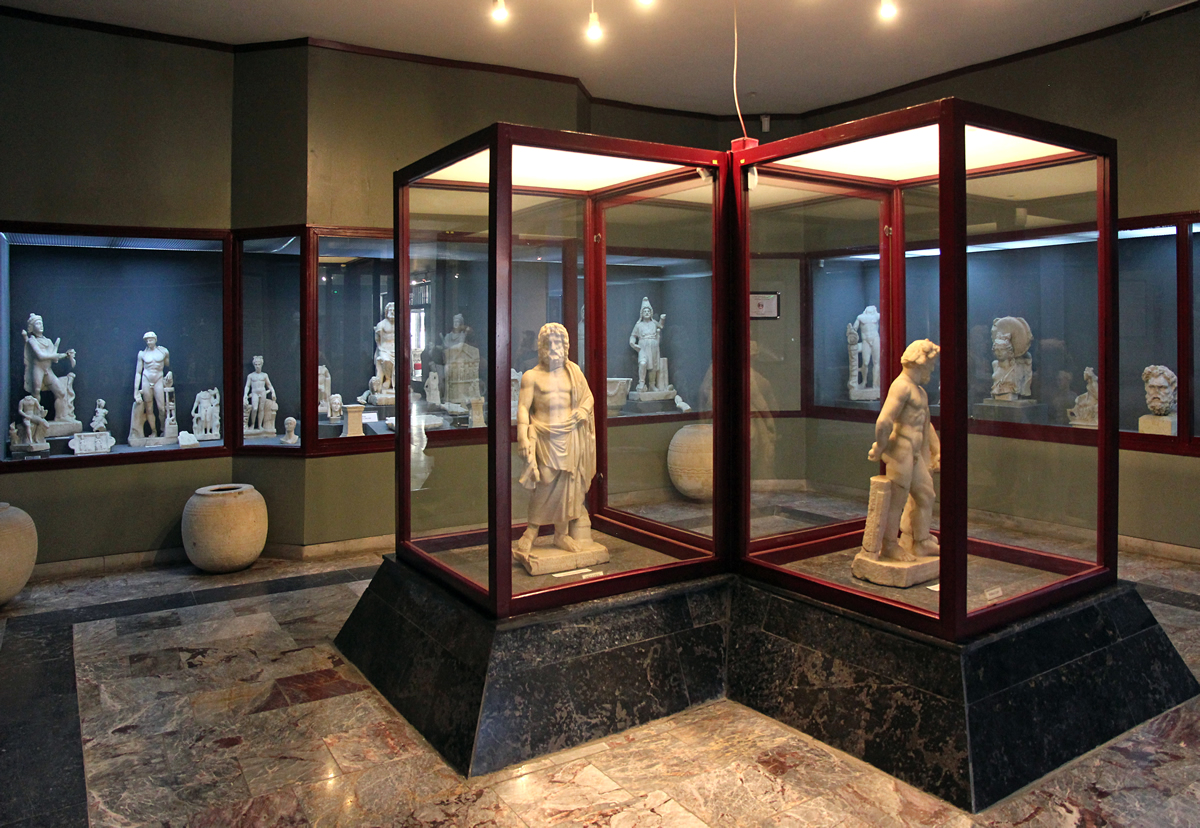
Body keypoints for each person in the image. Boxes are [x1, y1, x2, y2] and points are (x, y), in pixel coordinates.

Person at [513, 322, 596, 556]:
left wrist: (582, 411)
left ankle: (561, 534)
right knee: (544, 482)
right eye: (548, 344)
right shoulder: (531, 376)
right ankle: (531, 531)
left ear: (565, 346)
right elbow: (523, 408)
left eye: (558, 343)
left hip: (570, 435)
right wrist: (522, 437)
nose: (553, 348)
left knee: (569, 486)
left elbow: (588, 398)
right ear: (541, 347)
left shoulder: (574, 372)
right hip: (544, 435)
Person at [867, 339, 941, 561]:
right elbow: (884, 421)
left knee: (926, 495)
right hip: (901, 451)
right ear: (921, 362)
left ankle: (921, 541)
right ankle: (890, 545)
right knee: (897, 501)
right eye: (931, 364)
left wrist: (936, 449)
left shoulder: (919, 391)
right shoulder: (901, 386)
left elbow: (926, 423)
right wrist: (880, 446)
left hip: (914, 453)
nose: (933, 369)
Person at [22, 313, 77, 423]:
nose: (41, 325)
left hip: (48, 370)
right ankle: (35, 417)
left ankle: (60, 417)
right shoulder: (32, 341)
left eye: (41, 323)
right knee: (36, 391)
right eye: (38, 323)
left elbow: (54, 359)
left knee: (61, 393)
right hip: (38, 369)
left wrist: (66, 355)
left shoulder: (48, 341)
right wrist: (57, 355)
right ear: (32, 327)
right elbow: (41, 356)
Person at [132, 332, 170, 437]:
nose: (149, 342)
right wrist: (136, 391)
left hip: (159, 378)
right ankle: (154, 431)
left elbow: (168, 366)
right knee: (149, 408)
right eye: (147, 340)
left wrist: (170, 374)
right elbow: (138, 373)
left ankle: (163, 429)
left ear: (155, 340)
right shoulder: (142, 354)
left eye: (151, 340)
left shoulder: (163, 352)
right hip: (146, 379)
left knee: (161, 408)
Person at [629, 297, 665, 392]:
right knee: (643, 363)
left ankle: (652, 385)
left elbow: (661, 326)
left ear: (651, 313)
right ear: (641, 313)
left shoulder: (654, 323)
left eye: (648, 311)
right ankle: (641, 383)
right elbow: (633, 336)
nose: (646, 313)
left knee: (653, 366)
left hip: (654, 346)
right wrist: (632, 343)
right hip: (643, 347)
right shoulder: (638, 325)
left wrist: (662, 319)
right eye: (644, 311)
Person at [243, 355, 277, 432]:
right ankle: (252, 424)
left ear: (261, 365)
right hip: (254, 392)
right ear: (254, 365)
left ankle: (259, 425)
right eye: (256, 365)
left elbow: (269, 385)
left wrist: (273, 392)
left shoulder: (264, 375)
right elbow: (247, 386)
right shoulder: (251, 376)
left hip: (262, 392)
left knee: (261, 409)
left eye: (259, 364)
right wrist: (245, 395)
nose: (257, 366)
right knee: (254, 408)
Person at [373, 302, 396, 393]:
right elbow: (377, 339)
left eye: (394, 310)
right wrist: (381, 348)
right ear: (386, 312)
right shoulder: (381, 325)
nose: (392, 312)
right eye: (390, 310)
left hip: (396, 349)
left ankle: (397, 383)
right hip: (384, 349)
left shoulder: (400, 324)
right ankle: (388, 379)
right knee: (385, 360)